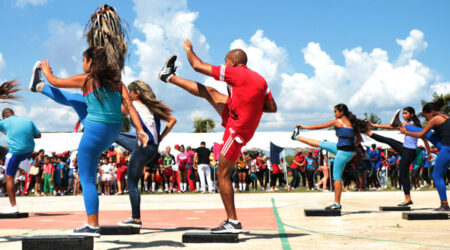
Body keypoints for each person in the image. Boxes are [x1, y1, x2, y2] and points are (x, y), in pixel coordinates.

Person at [158, 39, 277, 233]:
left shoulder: (235, 72)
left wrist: (189, 49)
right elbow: (272, 107)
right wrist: (247, 105)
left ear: (233, 62)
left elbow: (197, 66)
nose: (224, 63)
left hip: (237, 129)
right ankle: (168, 76)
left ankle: (233, 222)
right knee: (210, 92)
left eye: (225, 60)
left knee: (222, 174)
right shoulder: (261, 79)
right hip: (238, 116)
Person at [31, 46, 148, 237]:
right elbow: (130, 107)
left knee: (87, 179)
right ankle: (38, 87)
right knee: (77, 99)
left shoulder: (86, 79)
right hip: (113, 131)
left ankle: (92, 226)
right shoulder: (117, 83)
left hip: (95, 132)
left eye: (83, 59)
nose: (82, 63)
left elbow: (56, 81)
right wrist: (140, 131)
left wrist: (46, 72)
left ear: (90, 62)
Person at [292, 104, 367, 210]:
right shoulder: (352, 124)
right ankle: (296, 137)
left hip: (343, 153)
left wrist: (305, 127)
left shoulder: (338, 122)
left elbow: (320, 126)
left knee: (337, 177)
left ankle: (337, 204)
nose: (334, 114)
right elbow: (359, 140)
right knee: (322, 144)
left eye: (335, 111)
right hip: (343, 150)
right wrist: (351, 147)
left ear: (341, 112)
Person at [365, 107, 431, 205]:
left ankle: (408, 199)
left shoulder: (411, 124)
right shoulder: (408, 124)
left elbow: (425, 140)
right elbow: (391, 127)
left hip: (409, 151)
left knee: (403, 175)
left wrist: (429, 153)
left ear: (412, 114)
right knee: (388, 140)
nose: (404, 115)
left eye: (406, 113)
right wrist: (374, 125)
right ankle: (369, 133)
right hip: (405, 149)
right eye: (403, 114)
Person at [400, 100, 450, 211]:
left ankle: (444, 204)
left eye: (425, 115)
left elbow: (420, 135)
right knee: (427, 133)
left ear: (431, 112)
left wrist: (406, 133)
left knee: (436, 176)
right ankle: (405, 126)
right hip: (444, 145)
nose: (426, 118)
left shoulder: (435, 119)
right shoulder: (445, 115)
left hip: (447, 149)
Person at [0, 108, 41, 213]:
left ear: (4, 117)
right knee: (20, 157)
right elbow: (38, 135)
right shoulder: (27, 121)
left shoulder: (4, 122)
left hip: (15, 153)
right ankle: (27, 166)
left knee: (9, 177)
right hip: (29, 151)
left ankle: (13, 206)